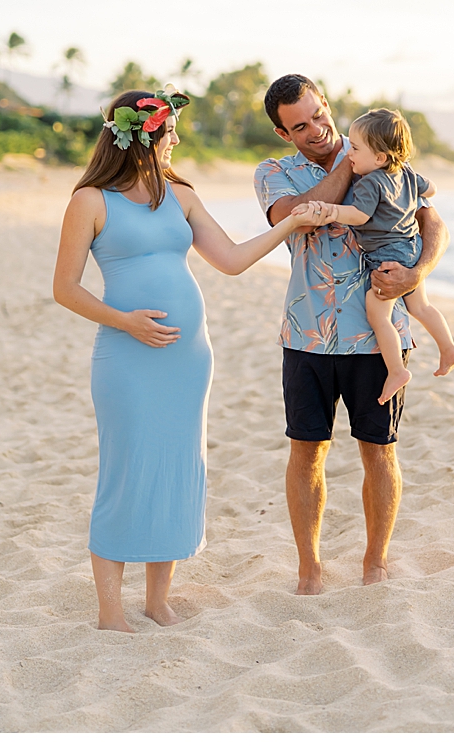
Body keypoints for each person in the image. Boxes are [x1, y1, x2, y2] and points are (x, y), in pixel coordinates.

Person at [53, 86, 328, 632]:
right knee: (127, 472)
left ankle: (157, 602)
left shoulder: (180, 194)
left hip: (187, 359)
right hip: (127, 358)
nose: (176, 141)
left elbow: (229, 259)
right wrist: (125, 320)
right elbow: (65, 288)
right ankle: (111, 611)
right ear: (142, 135)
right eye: (170, 132)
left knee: (179, 469)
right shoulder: (90, 200)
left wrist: (288, 226)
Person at [254, 74, 451, 594]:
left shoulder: (380, 147)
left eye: (320, 115)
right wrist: (348, 164)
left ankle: (376, 561)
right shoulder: (275, 171)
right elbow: (296, 217)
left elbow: (435, 223)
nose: (317, 129)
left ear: (327, 105)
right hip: (307, 338)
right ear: (284, 133)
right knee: (306, 451)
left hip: (377, 337)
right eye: (301, 125)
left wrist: (419, 273)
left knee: (379, 450)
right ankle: (309, 567)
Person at [322, 108, 454, 404]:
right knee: (421, 306)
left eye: (356, 149)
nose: (350, 154)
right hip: (411, 248)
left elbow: (359, 215)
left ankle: (396, 370)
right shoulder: (407, 173)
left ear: (380, 158)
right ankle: (448, 347)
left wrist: (333, 210)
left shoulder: (371, 183)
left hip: (387, 256)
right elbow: (432, 188)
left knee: (377, 312)